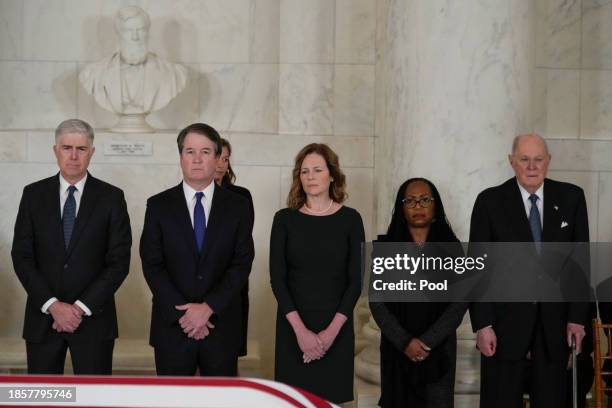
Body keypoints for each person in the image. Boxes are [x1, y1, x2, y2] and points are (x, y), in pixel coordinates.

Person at [469, 133, 589, 407]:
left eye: (538, 159)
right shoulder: (490, 202)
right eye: (524, 159)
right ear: (511, 161)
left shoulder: (572, 198)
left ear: (548, 162)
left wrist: (577, 319)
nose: (532, 166)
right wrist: (483, 324)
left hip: (555, 326)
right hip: (503, 325)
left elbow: (579, 265)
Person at [11, 118, 132, 374]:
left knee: (95, 401)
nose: (74, 156)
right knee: (43, 398)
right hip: (43, 319)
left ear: (92, 152)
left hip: (93, 320)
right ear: (55, 150)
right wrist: (53, 305)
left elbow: (119, 262)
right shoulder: (33, 195)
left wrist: (79, 308)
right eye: (67, 148)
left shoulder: (112, 198)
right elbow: (22, 256)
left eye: (82, 149)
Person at [140, 123, 254, 376]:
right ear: (180, 157)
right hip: (173, 326)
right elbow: (152, 264)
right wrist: (186, 314)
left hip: (220, 326)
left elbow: (242, 262)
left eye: (205, 151)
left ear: (217, 158)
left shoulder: (238, 206)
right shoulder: (158, 205)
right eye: (190, 151)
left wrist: (208, 307)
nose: (197, 159)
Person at [270, 143, 364, 405]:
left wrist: (329, 334)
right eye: (304, 171)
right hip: (293, 329)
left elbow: (356, 281)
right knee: (294, 401)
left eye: (317, 170)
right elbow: (278, 280)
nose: (310, 176)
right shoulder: (284, 220)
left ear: (332, 175)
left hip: (336, 329)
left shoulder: (351, 219)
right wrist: (302, 333)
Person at [370, 178, 468, 407]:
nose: (418, 206)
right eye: (410, 201)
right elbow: (377, 302)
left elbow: (459, 303)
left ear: (435, 206)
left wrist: (426, 342)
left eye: (425, 200)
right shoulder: (384, 249)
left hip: (438, 351)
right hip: (397, 352)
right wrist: (405, 342)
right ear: (401, 208)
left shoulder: (452, 249)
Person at [79, 5, 187, 115]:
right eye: (128, 31)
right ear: (118, 33)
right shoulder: (94, 73)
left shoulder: (173, 74)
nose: (135, 37)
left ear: (148, 32)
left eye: (140, 30)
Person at [214, 138, 254, 358]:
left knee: (226, 360)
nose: (221, 163)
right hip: (193, 295)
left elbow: (242, 246)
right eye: (218, 156)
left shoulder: (241, 197)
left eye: (226, 159)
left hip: (230, 286)